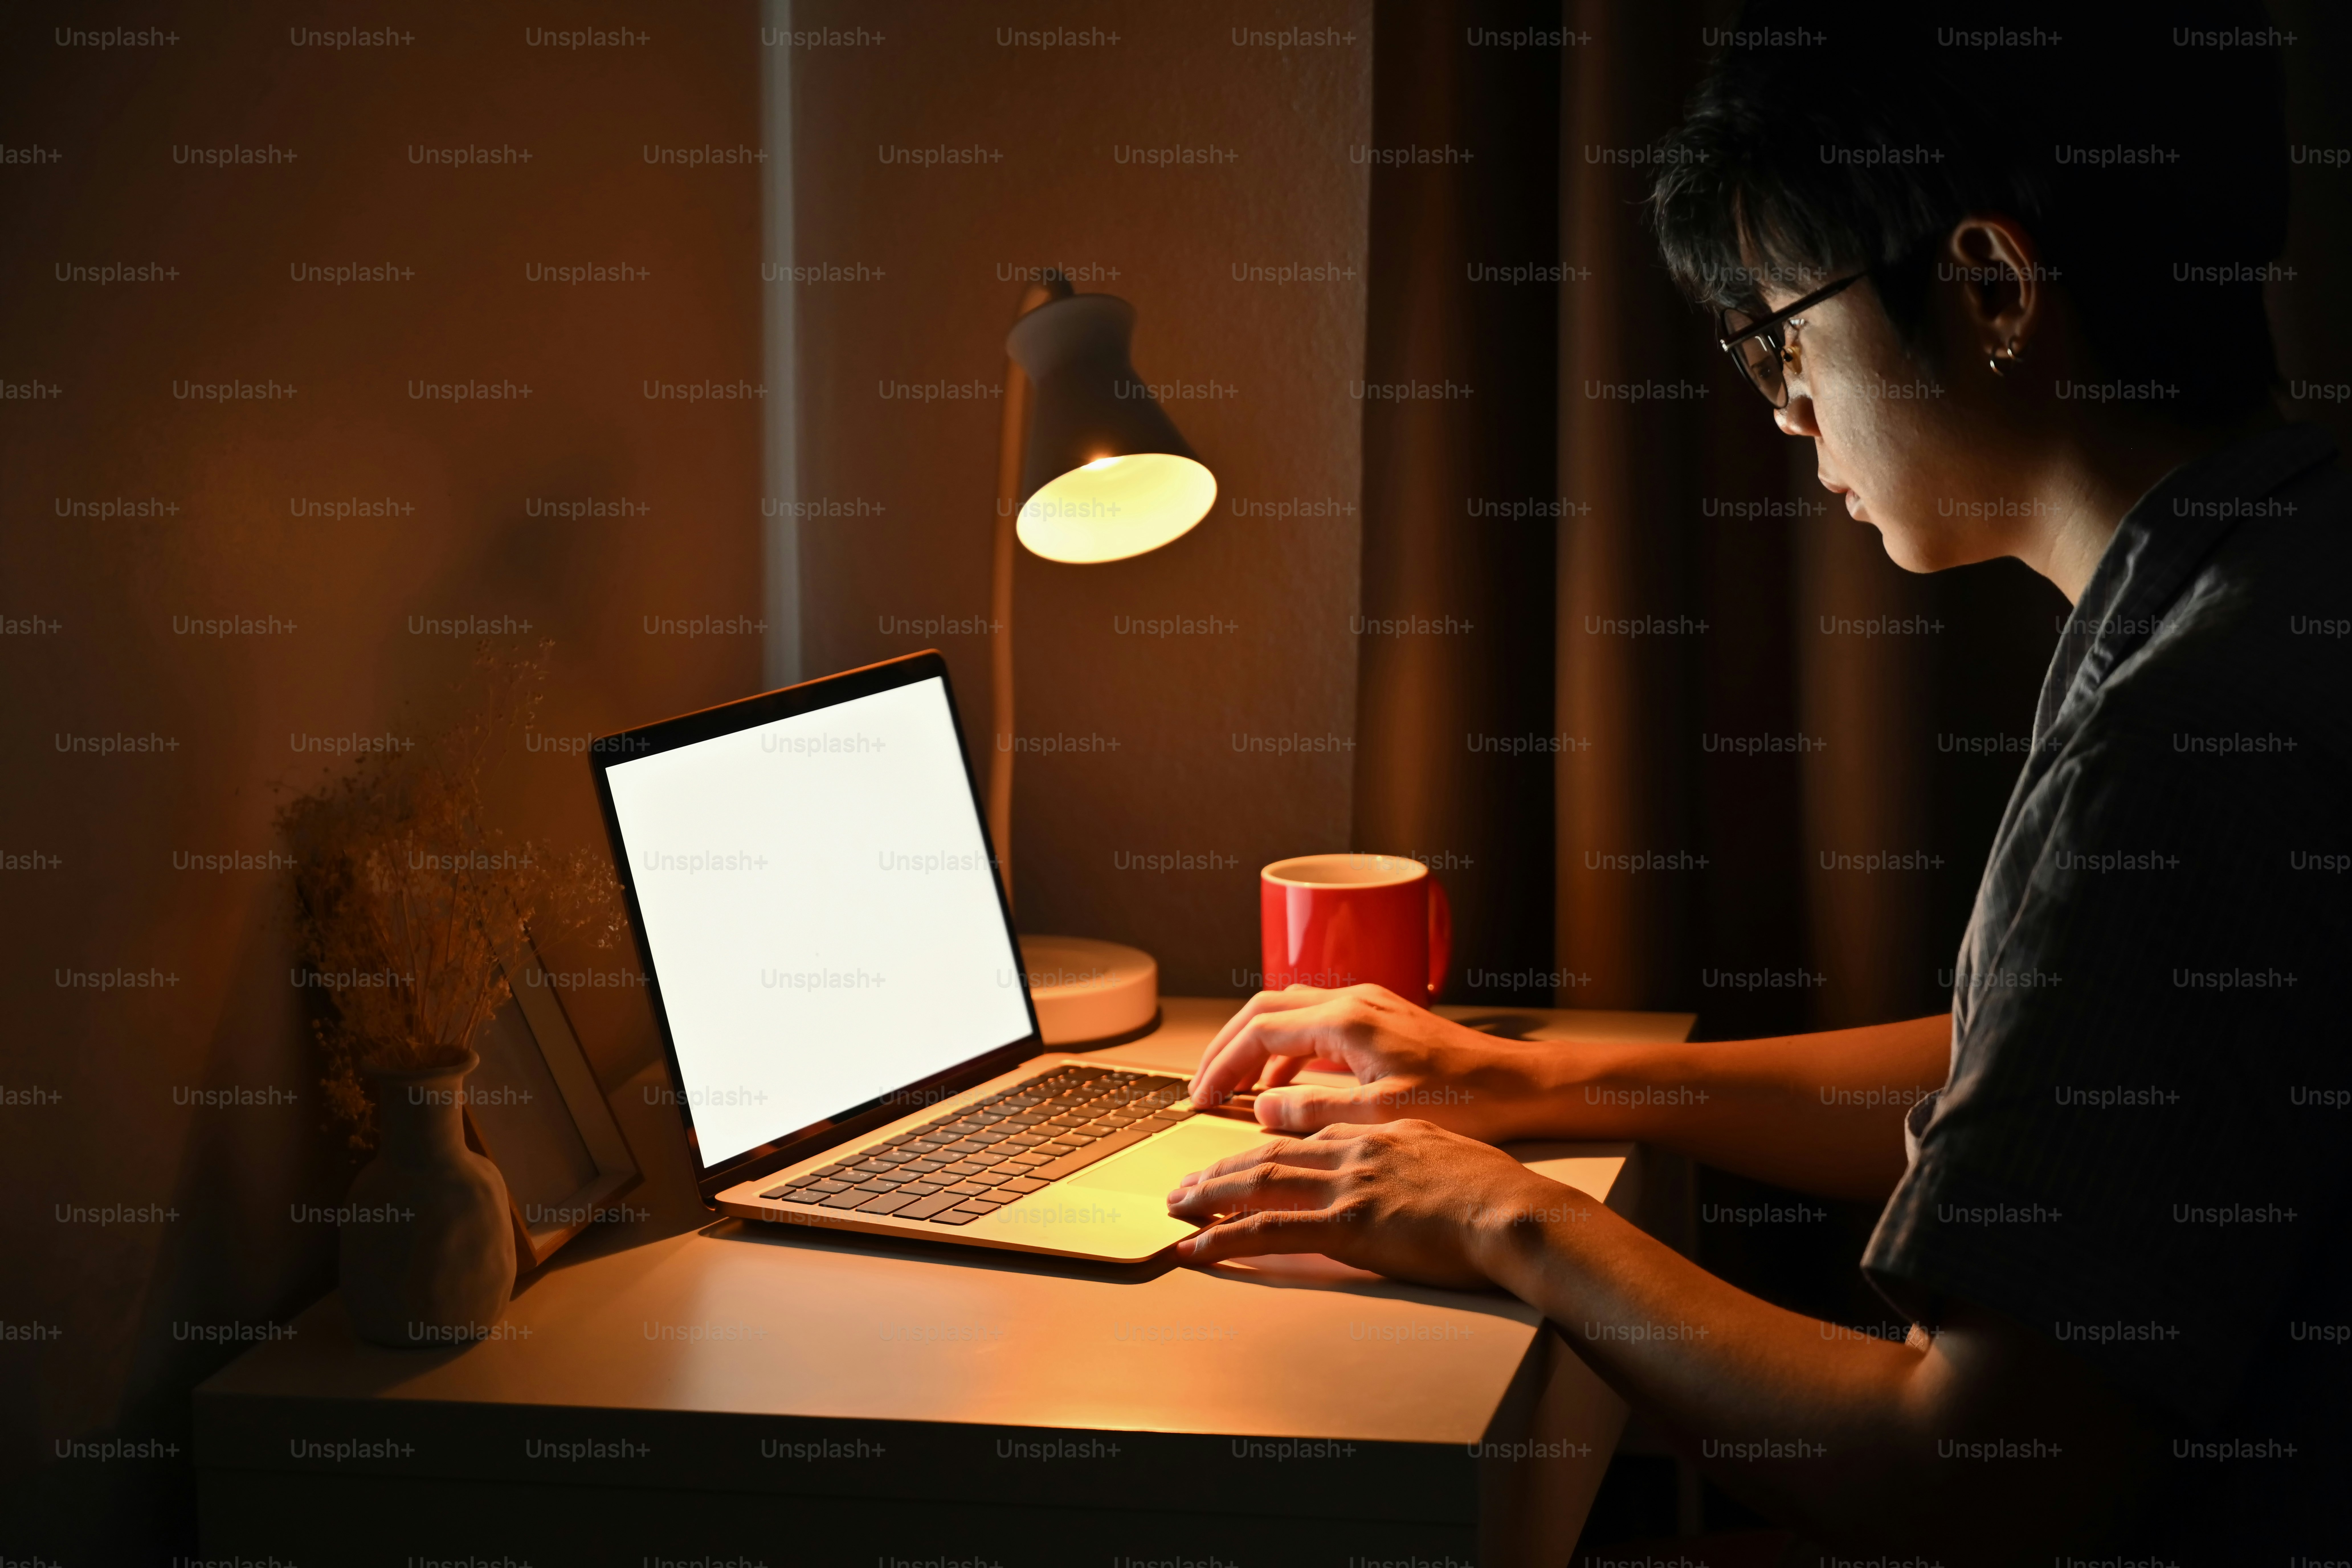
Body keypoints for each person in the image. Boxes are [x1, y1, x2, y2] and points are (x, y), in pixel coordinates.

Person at [1166, 4, 2349, 1562]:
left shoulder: (2175, 745)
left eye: (1788, 330)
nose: (1785, 409)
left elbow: (1966, 1474)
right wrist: (1546, 1083)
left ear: (1992, 288)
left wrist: (1503, 1217)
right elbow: (2075, 1082)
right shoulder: (2292, 563)